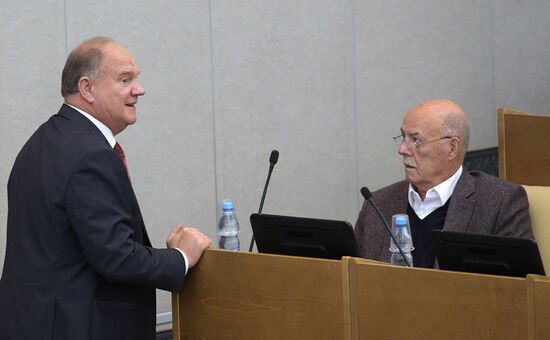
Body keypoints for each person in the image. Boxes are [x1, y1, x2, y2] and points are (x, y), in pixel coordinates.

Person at [0, 36, 211, 340]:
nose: (139, 89)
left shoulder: (39, 143)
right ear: (87, 88)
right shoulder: (92, 154)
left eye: (136, 78)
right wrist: (181, 257)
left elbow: (75, 248)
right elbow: (117, 258)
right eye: (125, 79)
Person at [354, 99, 532, 268]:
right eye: (403, 137)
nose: (402, 149)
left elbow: (517, 289)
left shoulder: (499, 202)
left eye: (415, 140)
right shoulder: (377, 203)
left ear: (452, 148)